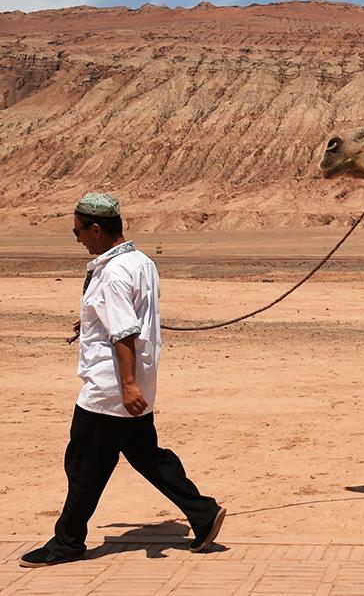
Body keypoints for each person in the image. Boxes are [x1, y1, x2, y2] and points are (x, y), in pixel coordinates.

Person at [19, 192, 226, 568]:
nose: (77, 237)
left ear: (97, 229)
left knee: (84, 466)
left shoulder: (112, 273)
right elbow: (127, 313)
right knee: (148, 457)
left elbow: (124, 331)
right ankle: (202, 512)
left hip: (111, 390)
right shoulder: (139, 261)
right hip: (137, 387)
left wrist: (127, 385)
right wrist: (92, 323)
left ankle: (67, 543)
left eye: (78, 231)